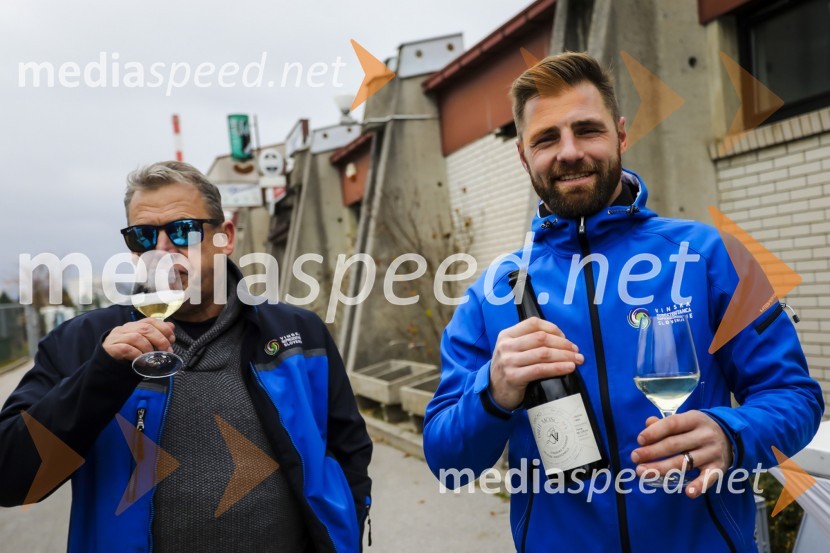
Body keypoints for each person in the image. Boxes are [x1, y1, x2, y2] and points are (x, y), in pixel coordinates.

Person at [423, 53, 824, 552]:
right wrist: (493, 391)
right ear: (524, 156)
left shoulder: (706, 255)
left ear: (621, 135)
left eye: (586, 130)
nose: (569, 152)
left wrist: (732, 434)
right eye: (546, 138)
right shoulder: (494, 293)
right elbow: (446, 460)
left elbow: (796, 397)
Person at [0, 161, 372, 553]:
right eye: (143, 237)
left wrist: (348, 531)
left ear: (225, 237)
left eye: (183, 231)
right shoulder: (82, 343)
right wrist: (101, 376)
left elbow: (349, 448)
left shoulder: (297, 332)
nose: (162, 251)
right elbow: (12, 480)